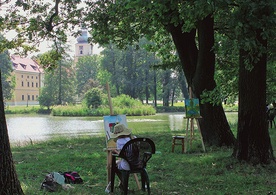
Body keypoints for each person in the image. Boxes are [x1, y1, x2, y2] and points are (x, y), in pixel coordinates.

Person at [110, 123, 135, 190]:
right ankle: (122, 184)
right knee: (119, 162)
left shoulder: (119, 141)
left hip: (127, 165)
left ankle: (124, 183)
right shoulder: (134, 138)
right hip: (139, 164)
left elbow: (121, 154)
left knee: (114, 165)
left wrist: (115, 151)